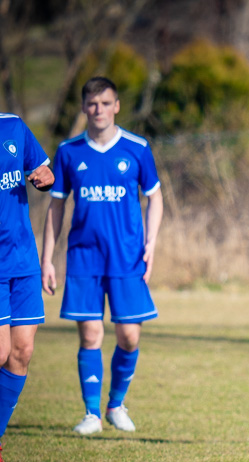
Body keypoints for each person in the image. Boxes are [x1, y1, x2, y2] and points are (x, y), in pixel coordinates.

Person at [42, 76, 163, 435]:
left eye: (105, 103)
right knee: (91, 335)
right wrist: (47, 258)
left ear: (117, 106)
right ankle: (91, 414)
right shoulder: (68, 152)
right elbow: (56, 206)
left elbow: (155, 197)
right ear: (84, 107)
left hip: (127, 257)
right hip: (84, 257)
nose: (99, 110)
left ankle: (116, 404)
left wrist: (151, 242)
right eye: (92, 104)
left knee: (129, 336)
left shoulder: (137, 148)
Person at [0, 113, 54, 462]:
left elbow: (45, 172)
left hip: (23, 259)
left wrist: (45, 178)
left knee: (21, 351)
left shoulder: (14, 126)